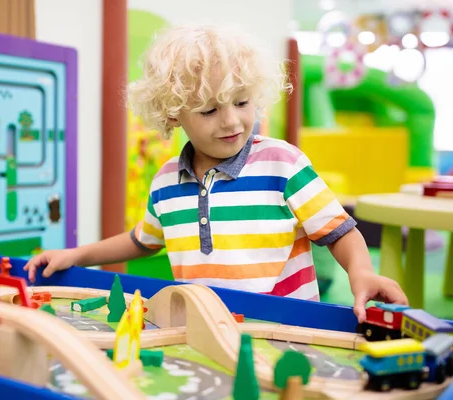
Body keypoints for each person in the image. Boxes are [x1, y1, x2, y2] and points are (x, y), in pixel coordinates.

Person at [24, 23, 408, 322]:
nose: (231, 121)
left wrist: (361, 272)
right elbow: (143, 240)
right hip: (203, 328)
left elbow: (339, 231)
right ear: (173, 114)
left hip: (288, 329)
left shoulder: (283, 163)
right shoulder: (166, 181)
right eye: (209, 111)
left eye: (242, 102)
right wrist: (76, 254)